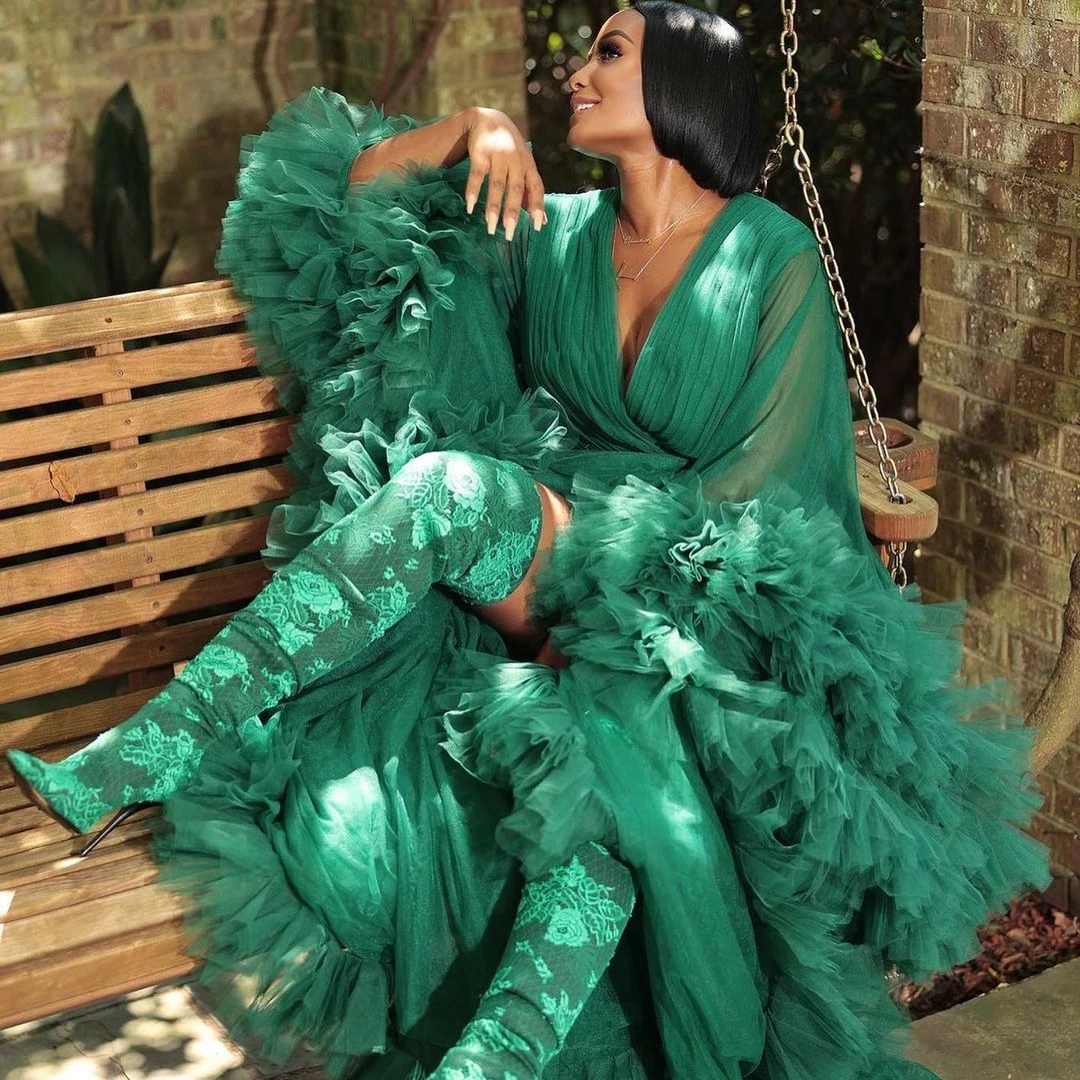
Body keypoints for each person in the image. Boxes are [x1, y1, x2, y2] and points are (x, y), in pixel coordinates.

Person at [5, 3, 1051, 1078]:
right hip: (551, 554)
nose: (578, 73)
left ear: (683, 84)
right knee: (448, 496)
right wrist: (471, 126)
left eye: (610, 52)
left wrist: (623, 616)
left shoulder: (771, 253)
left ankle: (495, 1058)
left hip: (709, 592)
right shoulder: (556, 231)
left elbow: (773, 481)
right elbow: (360, 197)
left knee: (610, 757)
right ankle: (153, 746)